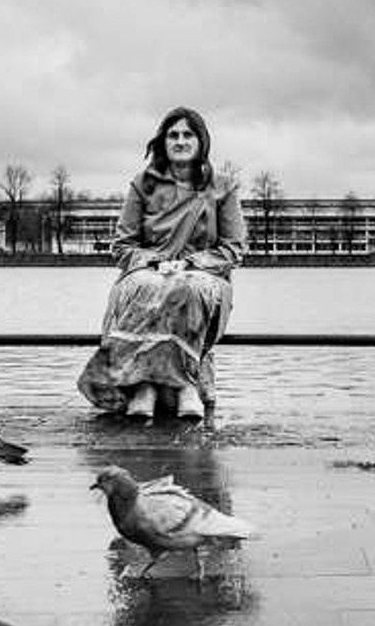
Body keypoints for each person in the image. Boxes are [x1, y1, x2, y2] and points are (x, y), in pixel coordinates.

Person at [77, 106, 247, 417]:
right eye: (173, 135)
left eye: (187, 134)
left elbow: (233, 249)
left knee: (188, 288)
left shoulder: (223, 187)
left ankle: (185, 385)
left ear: (201, 141)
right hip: (147, 270)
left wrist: (190, 264)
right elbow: (123, 246)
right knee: (146, 285)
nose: (180, 141)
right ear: (163, 142)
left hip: (205, 275)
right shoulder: (143, 185)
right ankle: (143, 386)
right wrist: (155, 262)